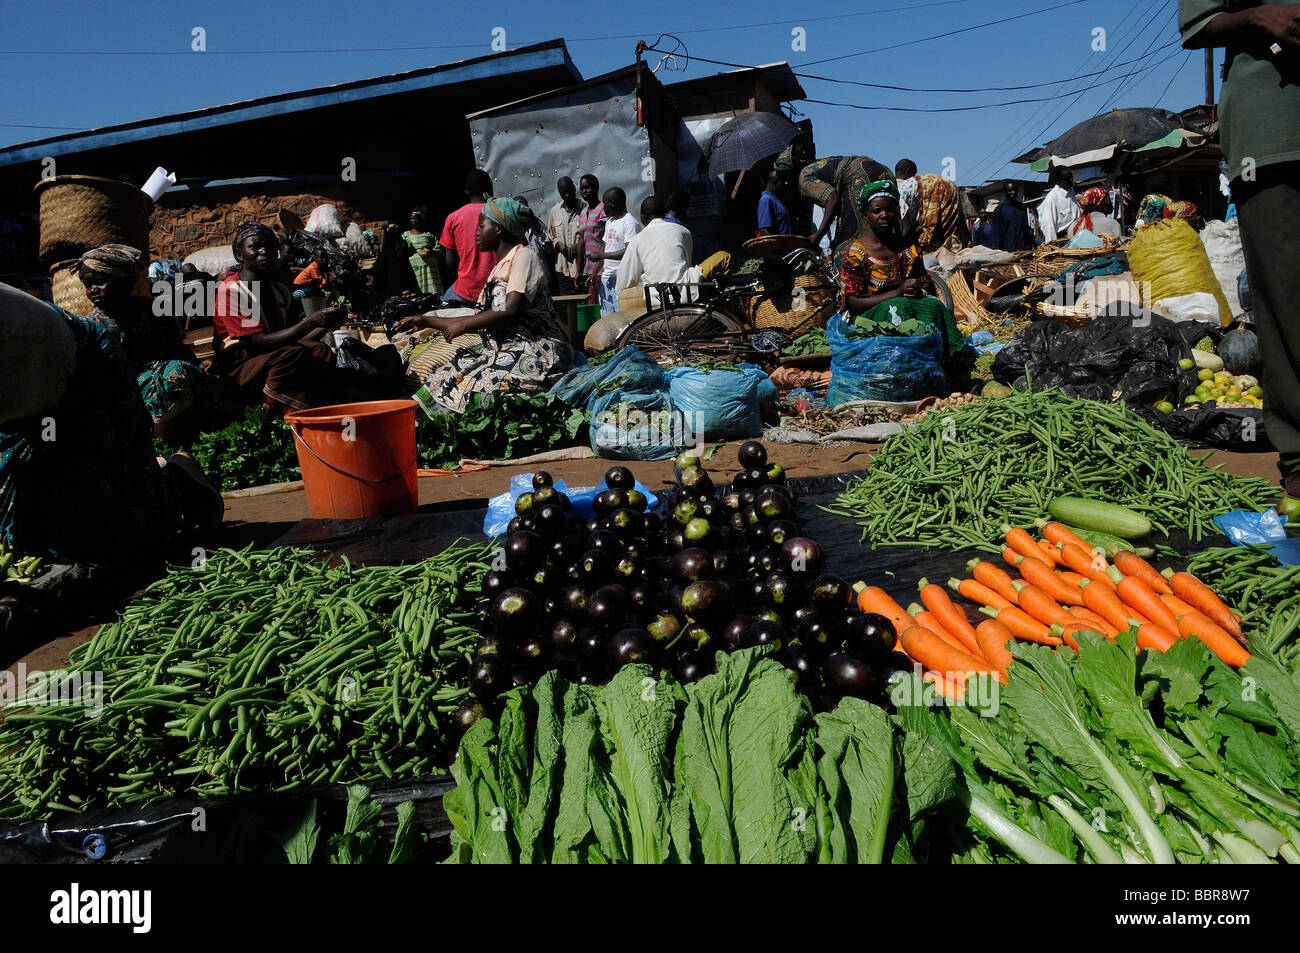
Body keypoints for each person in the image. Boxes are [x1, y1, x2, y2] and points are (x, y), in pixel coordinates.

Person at [0, 283, 224, 622]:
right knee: (24, 521)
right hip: (27, 395)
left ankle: (180, 484)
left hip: (85, 368)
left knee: (110, 532)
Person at [1181, 0, 1300, 498]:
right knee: (1285, 298)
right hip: (1274, 134)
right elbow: (1197, 23)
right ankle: (1298, 457)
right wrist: (1260, 16)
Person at [395, 198, 576, 414]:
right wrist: (425, 320)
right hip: (503, 349)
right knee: (443, 376)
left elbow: (508, 309)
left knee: (483, 388)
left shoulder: (525, 256)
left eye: (482, 226)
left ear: (498, 229)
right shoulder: (499, 266)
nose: (476, 232)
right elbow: (482, 316)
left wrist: (462, 326)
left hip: (537, 349)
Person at [79, 244, 238, 446]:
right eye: (87, 284)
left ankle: (208, 440)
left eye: (100, 282)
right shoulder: (92, 327)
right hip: (124, 392)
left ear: (126, 282)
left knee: (212, 376)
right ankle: (162, 451)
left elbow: (176, 349)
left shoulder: (155, 310)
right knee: (173, 376)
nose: (93, 290)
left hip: (162, 378)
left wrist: (200, 365)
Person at [212, 222, 343, 410]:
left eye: (270, 246)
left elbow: (293, 338)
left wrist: (325, 325)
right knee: (292, 355)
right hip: (242, 366)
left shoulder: (279, 291)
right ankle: (270, 410)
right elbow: (259, 342)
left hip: (274, 355)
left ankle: (319, 407)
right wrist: (310, 321)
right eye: (255, 246)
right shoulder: (232, 291)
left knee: (320, 351)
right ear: (239, 254)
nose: (264, 251)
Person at [839, 180, 965, 362]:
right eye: (877, 211)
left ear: (897, 212)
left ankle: (948, 361)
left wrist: (917, 290)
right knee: (898, 307)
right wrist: (897, 293)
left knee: (935, 306)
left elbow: (928, 287)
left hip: (907, 307)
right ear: (865, 215)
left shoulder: (907, 248)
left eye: (890, 209)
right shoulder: (855, 253)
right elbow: (852, 302)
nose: (884, 215)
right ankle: (904, 365)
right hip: (868, 316)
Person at [798, 155, 895, 265]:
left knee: (850, 245)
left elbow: (832, 198)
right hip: (885, 173)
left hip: (859, 178)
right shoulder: (832, 162)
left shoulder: (804, 175)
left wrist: (817, 236)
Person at [615, 196, 699, 303]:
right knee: (723, 256)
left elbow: (624, 281)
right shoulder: (683, 231)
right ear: (665, 214)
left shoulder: (637, 240)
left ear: (643, 217)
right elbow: (688, 263)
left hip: (655, 298)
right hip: (684, 293)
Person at [440, 170, 495, 306]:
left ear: (467, 192)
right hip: (500, 289)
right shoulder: (501, 213)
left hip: (467, 291)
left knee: (440, 307)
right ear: (490, 189)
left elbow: (450, 262)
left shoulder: (453, 218)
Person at [589, 187, 640, 316]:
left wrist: (602, 255)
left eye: (604, 203)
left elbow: (629, 252)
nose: (603, 207)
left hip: (621, 278)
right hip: (606, 278)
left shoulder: (630, 223)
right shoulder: (610, 222)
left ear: (612, 203)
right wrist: (595, 272)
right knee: (607, 318)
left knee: (622, 317)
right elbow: (604, 247)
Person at [547, 177, 585, 296]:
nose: (567, 195)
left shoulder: (585, 209)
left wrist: (578, 247)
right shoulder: (555, 211)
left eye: (569, 191)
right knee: (567, 305)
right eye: (563, 193)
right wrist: (558, 243)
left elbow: (591, 235)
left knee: (583, 304)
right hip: (563, 269)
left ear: (574, 188)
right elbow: (551, 234)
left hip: (582, 270)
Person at [575, 174, 606, 305]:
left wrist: (596, 270)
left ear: (596, 188)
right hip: (589, 271)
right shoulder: (583, 212)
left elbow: (608, 240)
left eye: (587, 188)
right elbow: (581, 241)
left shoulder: (603, 209)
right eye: (582, 188)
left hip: (603, 269)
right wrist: (579, 271)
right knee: (592, 306)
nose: (584, 191)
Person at [402, 206, 445, 297]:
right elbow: (400, 250)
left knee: (434, 291)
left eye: (416, 218)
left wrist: (430, 252)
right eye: (412, 218)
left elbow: (439, 250)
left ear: (421, 220)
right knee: (418, 291)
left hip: (430, 267)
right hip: (415, 267)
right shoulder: (406, 235)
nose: (414, 220)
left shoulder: (429, 235)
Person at [986, 182, 1036, 252]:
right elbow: (996, 234)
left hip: (1024, 249)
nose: (1013, 192)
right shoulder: (999, 210)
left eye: (1014, 190)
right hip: (1008, 251)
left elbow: (1025, 229)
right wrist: (997, 251)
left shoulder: (1022, 208)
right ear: (1005, 192)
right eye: (1009, 191)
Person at [1037, 164, 1081, 242]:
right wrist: (1052, 246)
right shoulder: (1052, 199)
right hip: (1063, 240)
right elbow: (1048, 225)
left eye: (1071, 177)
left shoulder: (1071, 192)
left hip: (1077, 236)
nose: (1071, 180)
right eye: (1067, 178)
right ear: (1058, 181)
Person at [756, 169, 793, 236]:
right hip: (779, 245)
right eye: (783, 182)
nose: (784, 185)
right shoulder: (766, 200)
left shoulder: (775, 200)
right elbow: (764, 231)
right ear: (775, 182)